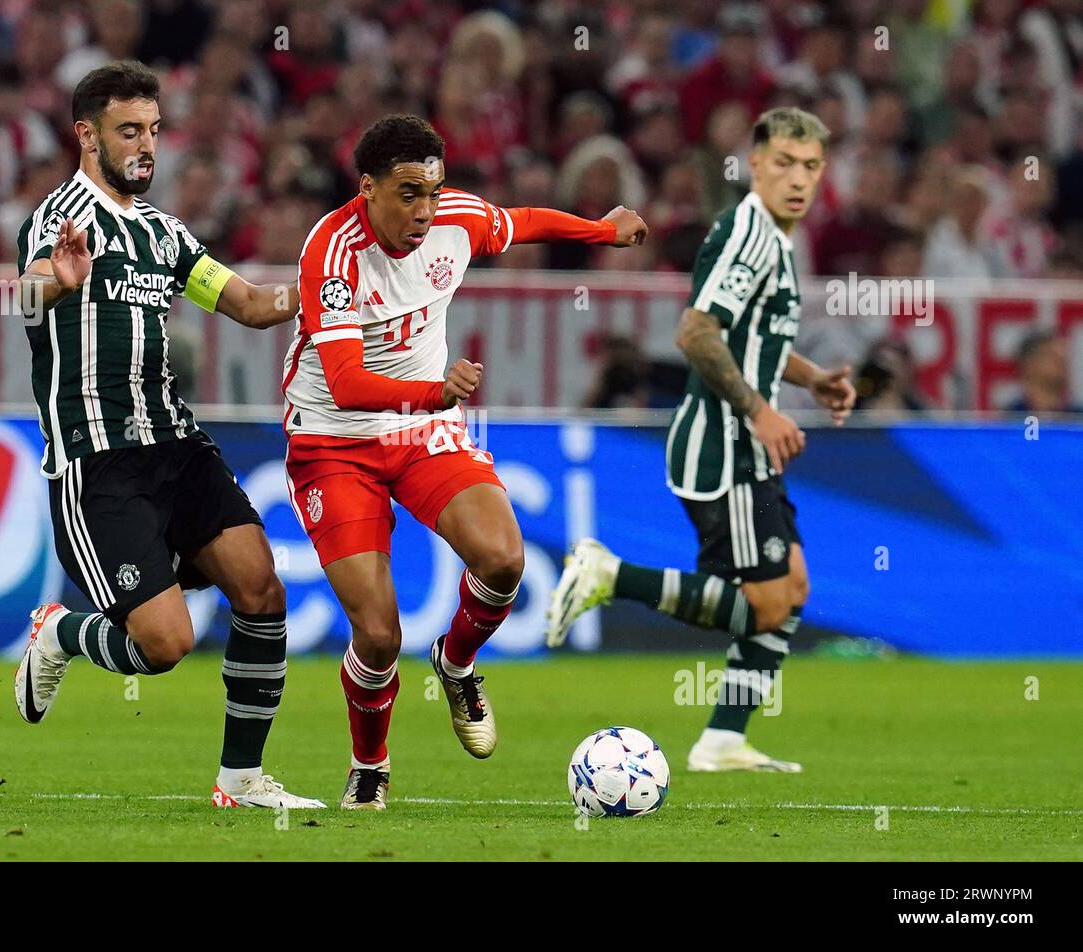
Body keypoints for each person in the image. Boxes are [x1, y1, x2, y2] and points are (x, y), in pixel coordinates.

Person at [283, 114, 647, 808]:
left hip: (425, 433)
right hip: (335, 441)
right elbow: (345, 382)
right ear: (368, 189)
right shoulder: (332, 252)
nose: (425, 210)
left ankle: (456, 663)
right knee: (379, 633)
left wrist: (601, 230)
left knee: (504, 558)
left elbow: (523, 221)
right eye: (407, 193)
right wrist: (435, 388)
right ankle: (371, 765)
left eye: (433, 191)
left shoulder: (454, 218)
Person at [13, 61, 323, 810]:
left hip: (176, 448)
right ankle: (60, 633)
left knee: (261, 587)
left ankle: (241, 780)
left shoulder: (162, 233)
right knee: (165, 646)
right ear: (87, 136)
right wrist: (58, 277)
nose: (146, 146)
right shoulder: (61, 219)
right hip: (101, 463)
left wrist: (327, 293)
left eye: (153, 129)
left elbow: (247, 304)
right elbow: (21, 291)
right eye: (129, 131)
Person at [547, 107, 856, 773]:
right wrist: (760, 411)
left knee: (792, 586)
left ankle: (724, 738)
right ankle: (610, 575)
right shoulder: (750, 232)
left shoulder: (774, 238)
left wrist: (809, 378)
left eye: (810, 166)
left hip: (744, 442)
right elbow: (696, 333)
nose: (797, 178)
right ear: (755, 165)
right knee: (767, 604)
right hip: (726, 444)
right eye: (783, 163)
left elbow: (750, 340)